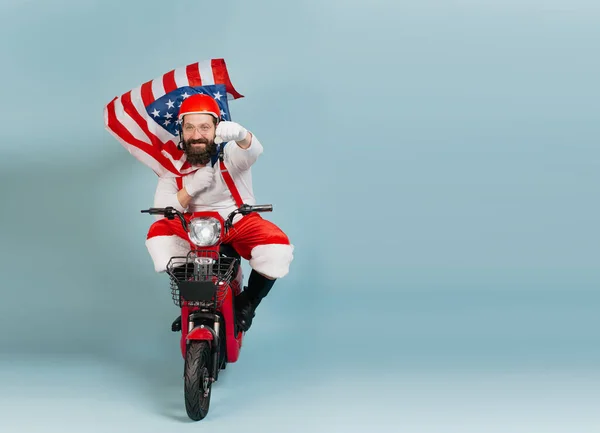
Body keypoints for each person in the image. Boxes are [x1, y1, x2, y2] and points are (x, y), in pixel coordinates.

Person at [144, 93, 294, 332]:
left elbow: (253, 151)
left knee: (277, 248)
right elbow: (163, 213)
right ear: (181, 130)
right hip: (192, 226)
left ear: (217, 127)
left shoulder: (230, 154)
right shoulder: (172, 164)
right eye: (190, 127)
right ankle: (191, 303)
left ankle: (247, 303)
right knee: (159, 236)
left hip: (237, 221)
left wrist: (241, 135)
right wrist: (190, 189)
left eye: (204, 127)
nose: (197, 135)